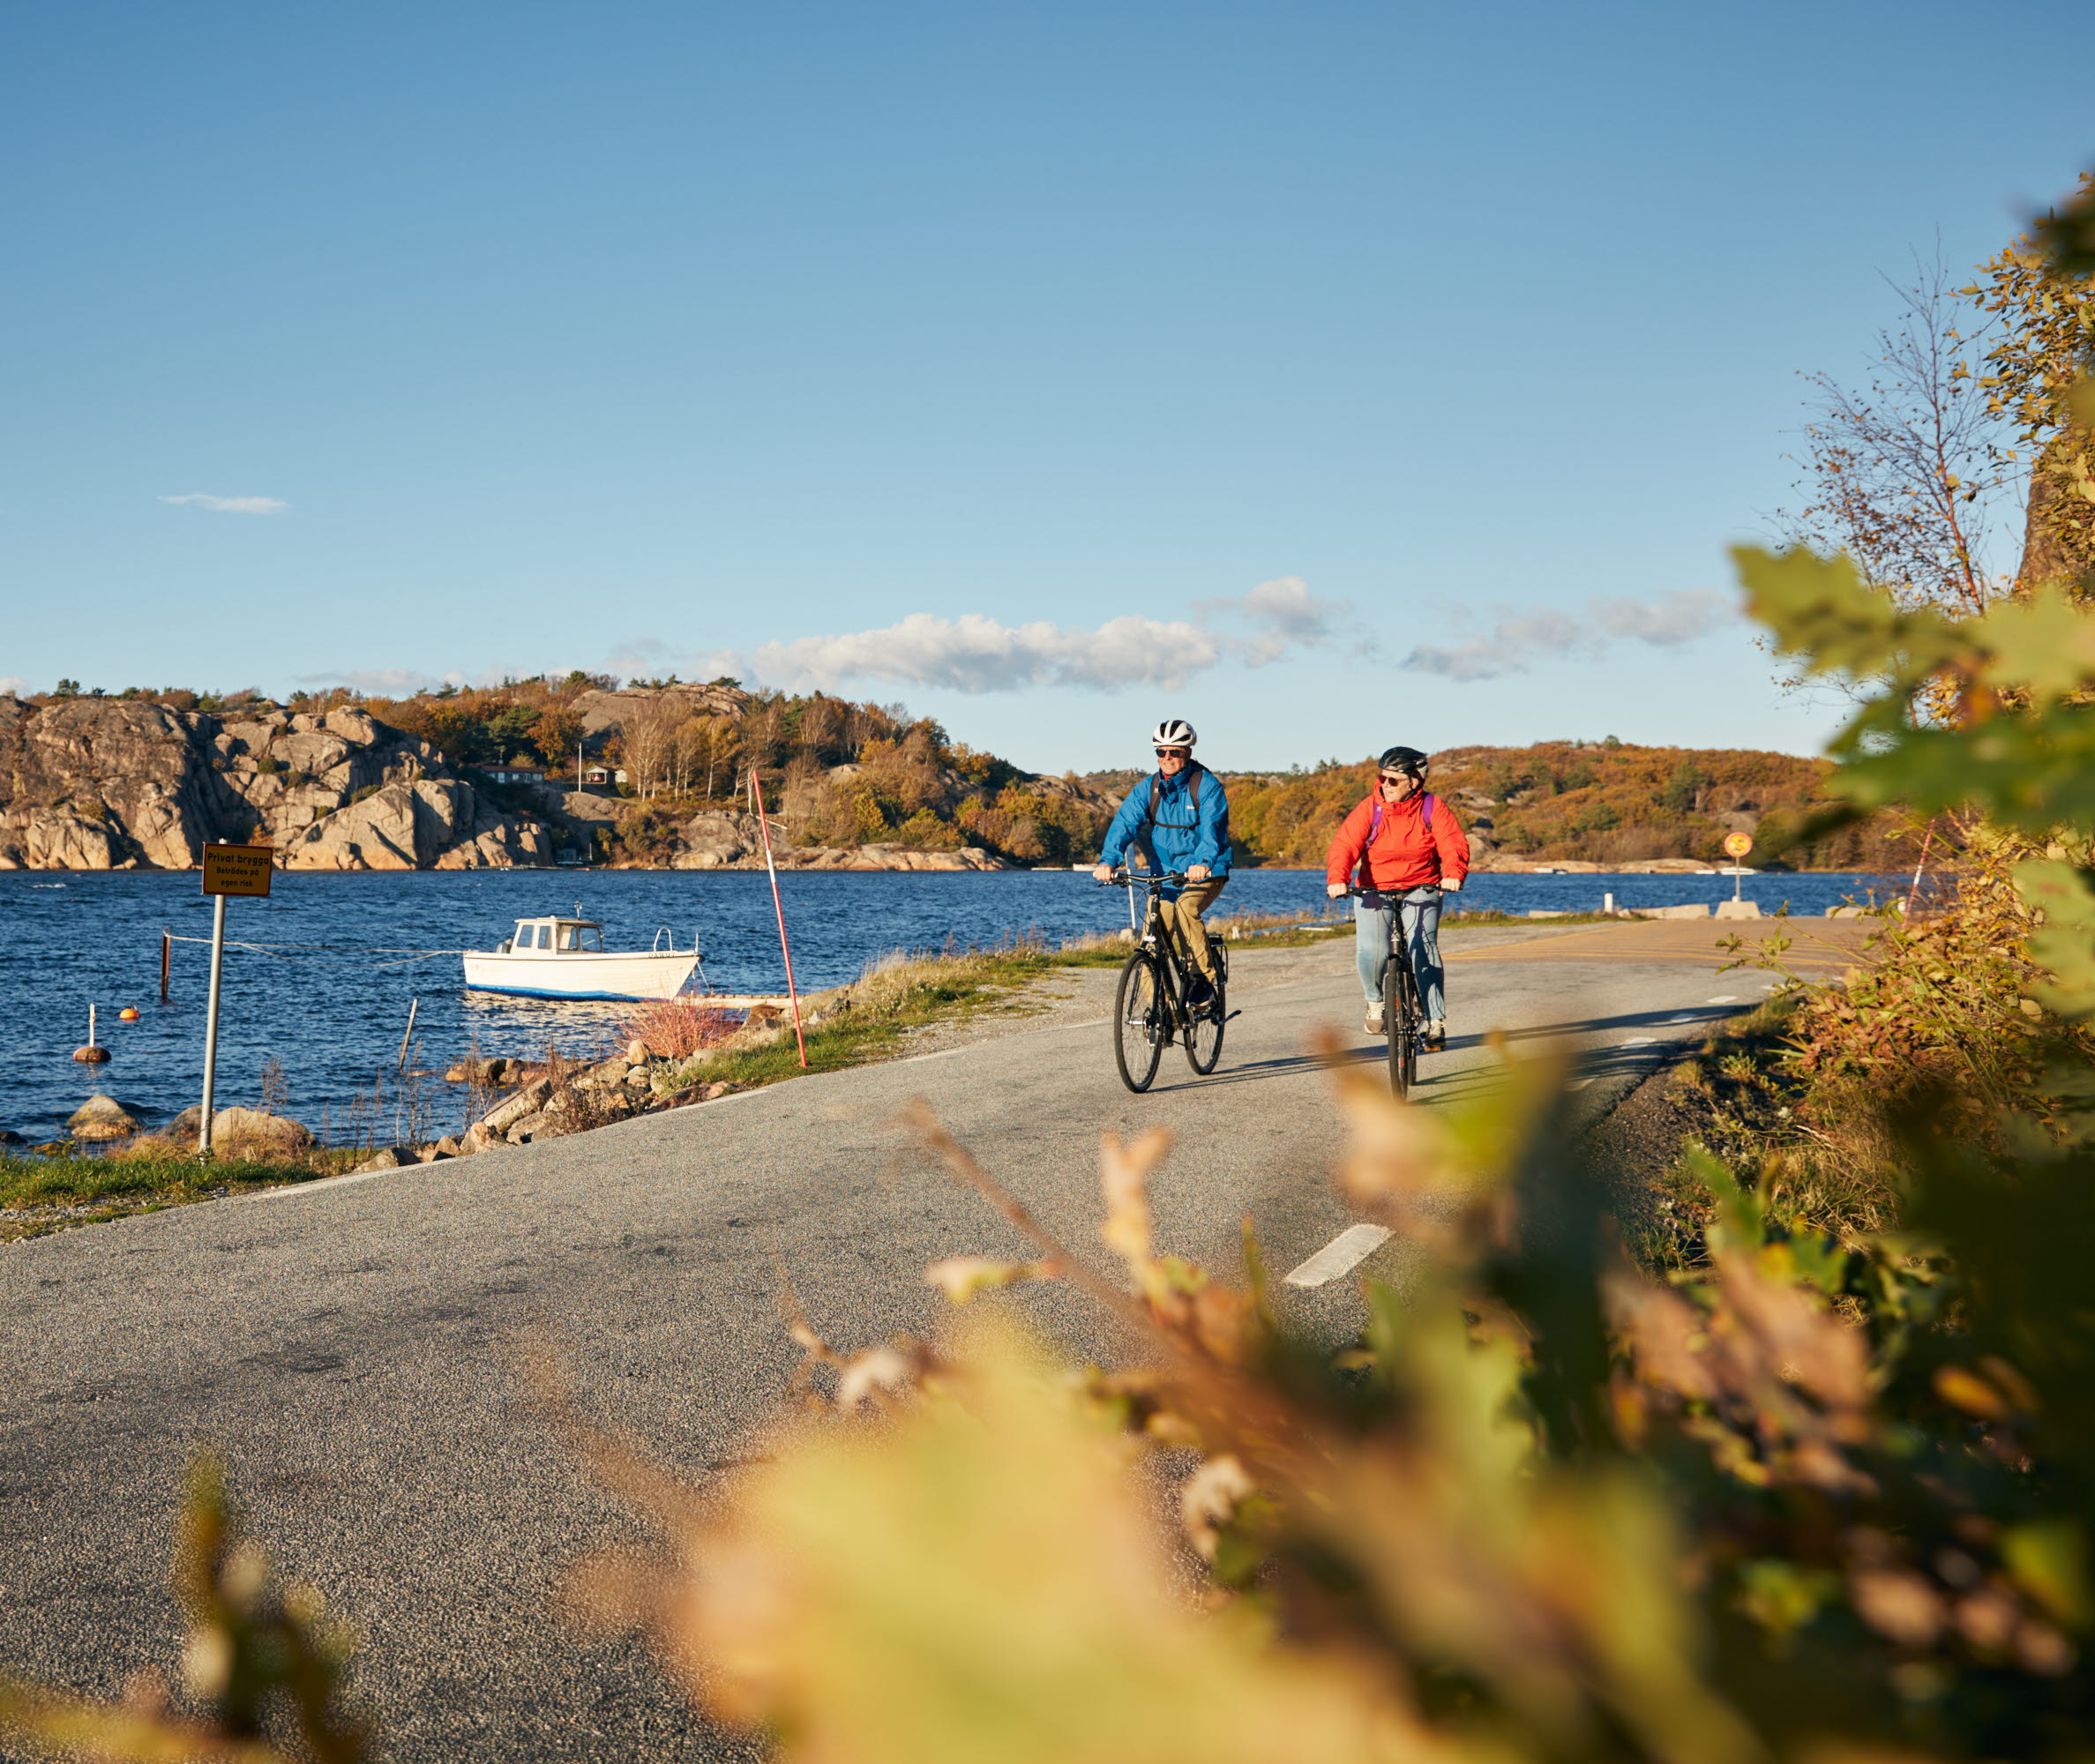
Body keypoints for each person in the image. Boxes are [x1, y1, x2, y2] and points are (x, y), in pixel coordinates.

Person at [1324, 745, 1469, 1050]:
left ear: (1414, 781)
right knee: (1372, 949)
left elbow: (1452, 843)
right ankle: (1375, 1002)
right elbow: (1345, 845)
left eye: (1393, 780)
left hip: (1422, 887)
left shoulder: (1433, 807)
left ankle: (1434, 1021)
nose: (1384, 785)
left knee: (1423, 948)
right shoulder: (1370, 808)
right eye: (1382, 779)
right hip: (1373, 889)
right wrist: (1338, 879)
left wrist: (1453, 873)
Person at [1093, 719, 1232, 1007]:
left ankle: (1201, 979)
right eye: (1161, 752)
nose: (1167, 758)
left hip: (1206, 871)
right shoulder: (1150, 788)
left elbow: (1212, 831)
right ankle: (1164, 1011)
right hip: (1165, 876)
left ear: (1188, 752)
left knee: (1185, 908)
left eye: (1175, 752)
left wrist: (1203, 862)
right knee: (1150, 943)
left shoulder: (1206, 787)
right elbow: (1124, 824)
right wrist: (1108, 860)